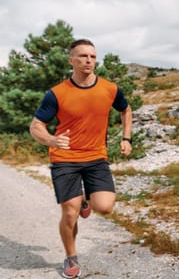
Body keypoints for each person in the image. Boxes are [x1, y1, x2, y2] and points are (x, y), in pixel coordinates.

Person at [29, 39, 133, 278]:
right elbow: (36, 126)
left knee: (105, 207)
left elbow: (126, 110)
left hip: (96, 157)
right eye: (83, 56)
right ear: (71, 61)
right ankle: (71, 256)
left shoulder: (110, 89)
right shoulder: (57, 93)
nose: (89, 61)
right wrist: (52, 140)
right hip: (64, 158)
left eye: (93, 57)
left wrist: (127, 138)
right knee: (70, 212)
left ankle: (86, 199)